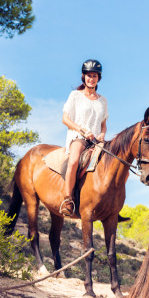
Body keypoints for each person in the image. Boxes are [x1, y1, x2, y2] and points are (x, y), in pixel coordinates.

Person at [60, 59, 108, 217]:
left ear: (98, 78)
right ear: (84, 77)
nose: (91, 79)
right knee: (74, 161)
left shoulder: (103, 100)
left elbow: (103, 124)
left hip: (96, 141)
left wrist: (102, 134)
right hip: (78, 137)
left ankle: (111, 203)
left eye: (94, 76)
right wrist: (83, 130)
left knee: (112, 164)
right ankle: (67, 201)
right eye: (89, 75)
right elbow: (65, 119)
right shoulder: (75, 95)